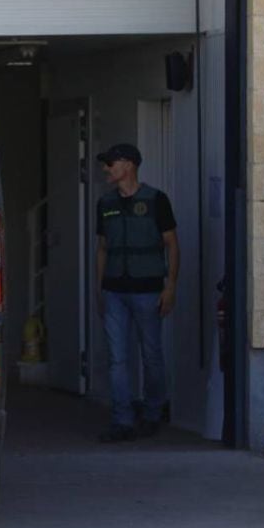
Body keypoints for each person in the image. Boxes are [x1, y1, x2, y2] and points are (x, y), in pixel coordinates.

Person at [94, 143, 179, 443]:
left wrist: (170, 287)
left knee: (151, 354)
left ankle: (153, 413)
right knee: (117, 358)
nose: (106, 169)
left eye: (110, 163)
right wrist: (100, 288)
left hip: (148, 289)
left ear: (128, 165)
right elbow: (102, 248)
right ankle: (122, 420)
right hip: (115, 290)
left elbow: (171, 243)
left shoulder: (156, 200)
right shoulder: (105, 203)